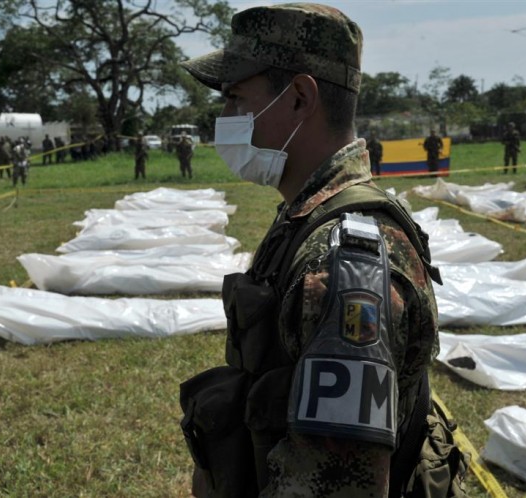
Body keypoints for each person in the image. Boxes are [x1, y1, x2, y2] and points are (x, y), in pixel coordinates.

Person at [178, 4, 467, 497]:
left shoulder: (341, 264)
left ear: (298, 98)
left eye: (234, 98)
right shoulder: (307, 216)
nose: (223, 118)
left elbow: (340, 483)